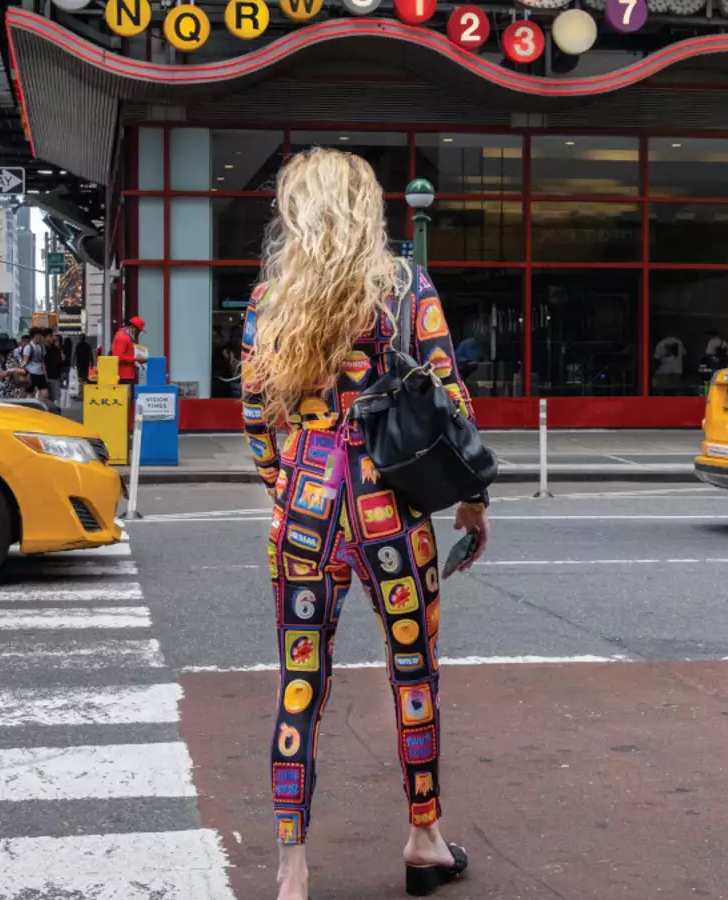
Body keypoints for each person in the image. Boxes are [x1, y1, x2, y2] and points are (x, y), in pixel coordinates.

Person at [240, 147, 488, 900]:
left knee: (299, 684)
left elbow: (256, 413)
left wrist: (284, 485)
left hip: (306, 509)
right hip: (390, 509)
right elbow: (449, 397)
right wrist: (473, 499)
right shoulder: (407, 287)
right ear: (366, 208)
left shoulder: (268, 300)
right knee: (413, 675)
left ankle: (291, 870)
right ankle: (423, 838)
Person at [0, 333, 27, 399]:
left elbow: (25, 370)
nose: (2, 352)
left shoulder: (14, 354)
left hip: (13, 393)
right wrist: (3, 374)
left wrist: (14, 370)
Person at [112, 316, 145, 384]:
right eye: (138, 331)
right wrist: (135, 359)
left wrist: (136, 361)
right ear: (133, 327)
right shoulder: (122, 337)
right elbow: (118, 357)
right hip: (123, 377)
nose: (138, 333)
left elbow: (127, 354)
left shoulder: (127, 337)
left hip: (128, 376)